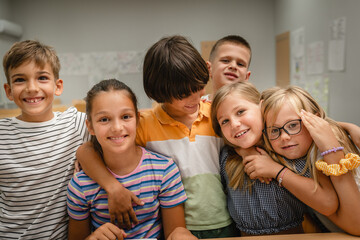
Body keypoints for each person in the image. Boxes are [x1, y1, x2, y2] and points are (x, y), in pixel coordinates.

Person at [77, 35, 238, 239]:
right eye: (183, 95)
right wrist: (113, 187)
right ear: (160, 92)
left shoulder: (217, 114)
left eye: (199, 88)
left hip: (225, 220)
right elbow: (86, 150)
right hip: (175, 229)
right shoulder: (144, 123)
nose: (195, 99)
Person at [67, 79, 193, 240]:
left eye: (126, 116)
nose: (117, 127)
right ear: (90, 126)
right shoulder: (80, 185)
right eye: (104, 119)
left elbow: (175, 232)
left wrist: (182, 235)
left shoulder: (164, 171)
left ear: (138, 120)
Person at [211, 81, 339, 235]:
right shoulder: (227, 158)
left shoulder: (288, 151)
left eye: (240, 112)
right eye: (225, 121)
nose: (235, 124)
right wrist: (243, 150)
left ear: (262, 107)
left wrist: (276, 171)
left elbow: (328, 203)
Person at [0, 40, 90, 239]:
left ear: (58, 86)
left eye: (42, 77)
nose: (32, 88)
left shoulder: (76, 124)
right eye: (20, 80)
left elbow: (118, 126)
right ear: (8, 91)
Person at [254, 86, 360, 236]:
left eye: (293, 125)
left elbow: (357, 225)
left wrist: (278, 172)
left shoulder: (325, 145)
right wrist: (348, 126)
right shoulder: (292, 147)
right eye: (274, 130)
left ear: (315, 120)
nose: (284, 137)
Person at [203, 35, 252, 101]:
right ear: (209, 68)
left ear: (246, 77)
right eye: (225, 61)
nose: (233, 66)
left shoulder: (253, 108)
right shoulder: (195, 107)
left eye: (240, 64)